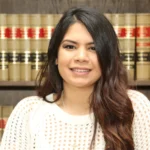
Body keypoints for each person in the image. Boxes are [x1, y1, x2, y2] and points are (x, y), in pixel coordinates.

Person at [1, 7, 150, 150]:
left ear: (107, 58)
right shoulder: (29, 112)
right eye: (70, 47)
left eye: (93, 48)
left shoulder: (134, 108)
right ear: (55, 57)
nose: (81, 57)